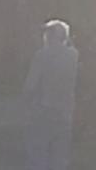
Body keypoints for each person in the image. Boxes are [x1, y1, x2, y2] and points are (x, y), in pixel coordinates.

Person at [24, 19, 79, 170]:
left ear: (50, 37)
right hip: (66, 109)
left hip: (44, 107)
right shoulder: (74, 56)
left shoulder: (42, 55)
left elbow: (31, 83)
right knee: (60, 151)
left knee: (39, 149)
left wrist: (27, 102)